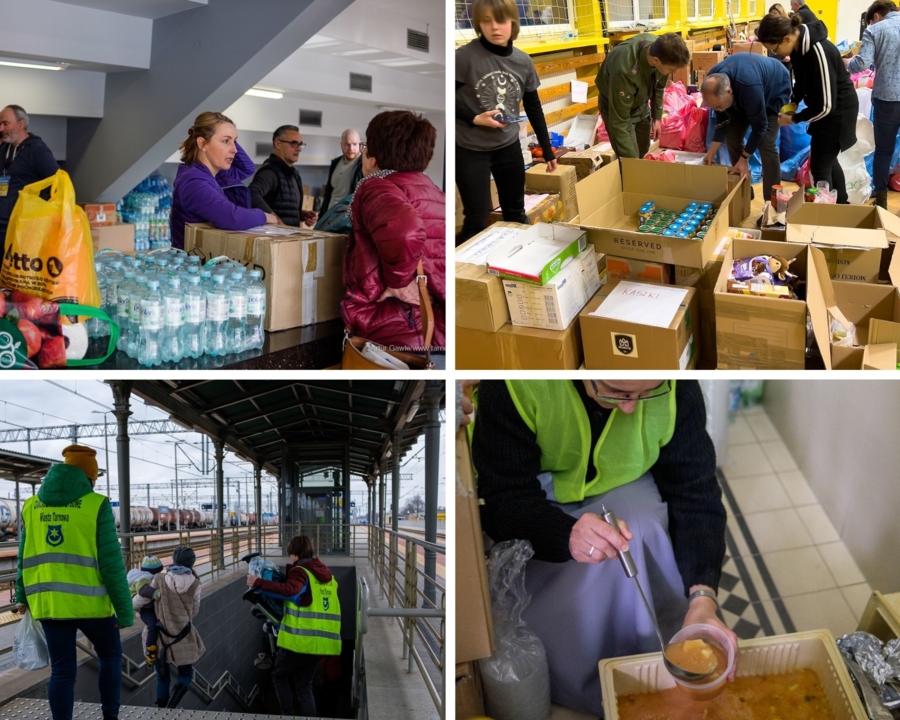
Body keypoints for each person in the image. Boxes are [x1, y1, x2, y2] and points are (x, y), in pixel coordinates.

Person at [471, 380, 736, 716]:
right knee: (579, 580)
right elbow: (502, 498)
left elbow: (695, 493)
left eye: (646, 393)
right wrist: (564, 534)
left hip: (625, 481)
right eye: (617, 392)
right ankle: (583, 684)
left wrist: (703, 598)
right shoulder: (515, 385)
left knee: (642, 532)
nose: (631, 407)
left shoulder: (677, 387)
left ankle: (655, 668)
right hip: (536, 498)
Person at [14, 445, 132, 720]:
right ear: (89, 477)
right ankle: (110, 716)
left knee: (63, 671)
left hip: (50, 605)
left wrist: (21, 596)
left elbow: (24, 556)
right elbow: (112, 564)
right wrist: (125, 611)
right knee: (111, 657)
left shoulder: (31, 506)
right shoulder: (96, 504)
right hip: (92, 606)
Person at [342, 110, 446, 357]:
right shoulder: (432, 191)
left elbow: (406, 232)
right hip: (435, 330)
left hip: (395, 330)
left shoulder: (376, 186)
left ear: (373, 155)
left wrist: (398, 282)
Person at [455, 0, 558, 245]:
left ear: (513, 22)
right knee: (477, 220)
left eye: (500, 20)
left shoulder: (523, 61)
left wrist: (547, 148)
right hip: (470, 149)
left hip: (508, 147)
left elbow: (534, 106)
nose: (494, 27)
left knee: (515, 214)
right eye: (486, 21)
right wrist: (474, 118)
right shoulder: (464, 57)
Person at [758, 13, 858, 203]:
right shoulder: (797, 48)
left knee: (820, 167)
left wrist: (794, 119)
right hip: (826, 110)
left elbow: (826, 105)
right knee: (827, 159)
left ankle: (824, 216)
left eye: (776, 49)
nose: (779, 54)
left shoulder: (817, 51)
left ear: (787, 38)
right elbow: (802, 81)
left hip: (838, 112)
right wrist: (794, 102)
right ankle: (842, 205)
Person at [246, 534, 341, 717]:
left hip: (300, 641)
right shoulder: (326, 576)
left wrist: (258, 582)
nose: (290, 558)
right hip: (321, 645)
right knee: (304, 687)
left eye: (290, 554)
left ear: (295, 554)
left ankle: (287, 714)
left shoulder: (301, 571)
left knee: (278, 675)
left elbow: (291, 591)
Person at [702, 54, 792, 219]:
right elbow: (722, 119)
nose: (718, 108)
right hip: (745, 92)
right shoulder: (714, 83)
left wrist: (744, 158)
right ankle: (744, 188)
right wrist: (711, 152)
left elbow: (760, 126)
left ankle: (772, 205)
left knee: (766, 144)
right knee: (732, 136)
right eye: (715, 106)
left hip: (774, 89)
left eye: (720, 105)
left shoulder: (748, 85)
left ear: (729, 91)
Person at [170, 111, 277, 249]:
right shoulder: (193, 182)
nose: (235, 150)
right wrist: (264, 215)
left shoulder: (214, 174)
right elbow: (232, 218)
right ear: (202, 144)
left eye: (235, 141)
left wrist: (228, 135)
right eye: (226, 141)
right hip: (191, 266)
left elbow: (247, 168)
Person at [596, 33, 691, 160]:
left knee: (643, 148)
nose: (674, 73)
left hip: (641, 102)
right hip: (617, 107)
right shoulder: (625, 71)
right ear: (656, 60)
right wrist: (633, 164)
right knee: (630, 157)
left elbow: (658, 87)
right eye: (671, 70)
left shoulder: (661, 50)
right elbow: (619, 123)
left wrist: (656, 118)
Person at [848, 0, 900, 209]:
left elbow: (862, 63)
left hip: (887, 99)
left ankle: (881, 200)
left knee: (884, 151)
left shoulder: (876, 30)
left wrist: (846, 64)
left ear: (876, 16)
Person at [140, 546, 204, 709]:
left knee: (162, 677)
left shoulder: (159, 579)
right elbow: (194, 612)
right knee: (186, 674)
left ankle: (162, 710)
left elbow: (145, 601)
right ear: (191, 563)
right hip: (183, 634)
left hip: (160, 636)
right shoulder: (195, 584)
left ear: (174, 561)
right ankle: (172, 705)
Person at [0, 104, 59, 254]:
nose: (1, 129)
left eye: (5, 124)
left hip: (21, 228)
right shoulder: (4, 149)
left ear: (21, 124)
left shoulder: (37, 150)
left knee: (11, 275)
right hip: (2, 224)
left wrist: (39, 213)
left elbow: (56, 184)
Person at [249, 125, 318, 228]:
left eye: (300, 144)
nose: (299, 149)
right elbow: (252, 194)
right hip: (274, 239)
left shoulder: (294, 174)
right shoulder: (270, 172)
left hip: (290, 238)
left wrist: (303, 215)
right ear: (278, 144)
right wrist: (278, 223)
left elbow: (285, 209)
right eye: (294, 143)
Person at [128, 555, 164, 665]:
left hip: (148, 606)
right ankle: (150, 651)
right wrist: (154, 593)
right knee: (152, 626)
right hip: (145, 609)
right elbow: (143, 589)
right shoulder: (142, 579)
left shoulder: (145, 576)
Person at [322, 128, 364, 212]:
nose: (351, 148)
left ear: (360, 144)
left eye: (354, 144)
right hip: (329, 215)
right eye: (347, 144)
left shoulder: (364, 163)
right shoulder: (335, 163)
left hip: (347, 219)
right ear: (341, 145)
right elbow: (328, 194)